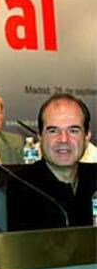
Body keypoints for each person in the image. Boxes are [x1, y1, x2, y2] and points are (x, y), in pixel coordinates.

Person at [7, 93, 97, 231]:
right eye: (53, 131)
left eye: (73, 130)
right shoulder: (23, 184)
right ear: (40, 137)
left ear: (86, 138)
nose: (63, 139)